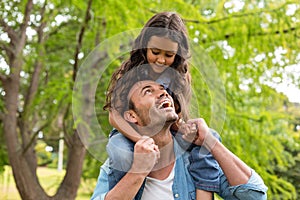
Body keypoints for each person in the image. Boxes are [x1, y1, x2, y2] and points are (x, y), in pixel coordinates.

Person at [91, 67, 268, 199]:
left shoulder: (195, 158)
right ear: (132, 116)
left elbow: (255, 195)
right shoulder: (119, 162)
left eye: (163, 89)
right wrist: (138, 171)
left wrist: (210, 142)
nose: (162, 93)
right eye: (148, 91)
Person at [103, 11, 220, 198]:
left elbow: (175, 117)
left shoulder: (180, 77)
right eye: (155, 52)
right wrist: (140, 140)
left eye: (169, 55)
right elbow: (114, 116)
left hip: (165, 135)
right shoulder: (131, 71)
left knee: (207, 140)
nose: (160, 59)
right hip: (130, 133)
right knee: (122, 154)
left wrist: (183, 129)